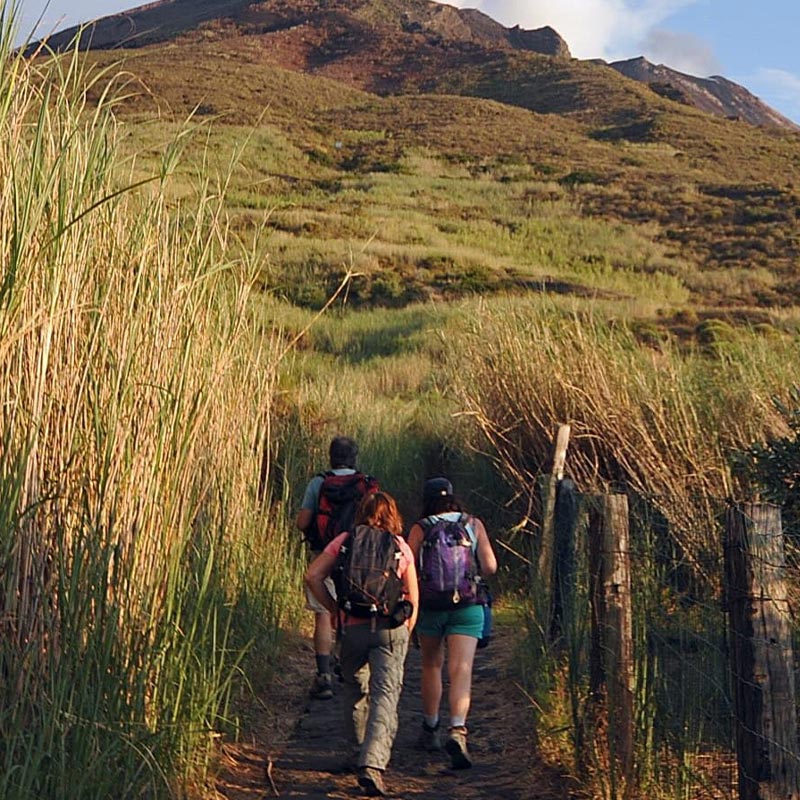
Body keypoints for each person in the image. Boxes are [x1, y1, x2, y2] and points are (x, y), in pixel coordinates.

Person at [305, 491, 418, 798]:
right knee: (385, 695)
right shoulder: (399, 546)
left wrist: (333, 610)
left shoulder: (344, 541)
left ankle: (356, 752)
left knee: (355, 688)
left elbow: (313, 575)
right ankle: (372, 764)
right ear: (391, 514)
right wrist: (405, 630)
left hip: (351, 629)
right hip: (388, 630)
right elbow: (412, 596)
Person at [407, 477, 497, 769]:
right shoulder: (473, 523)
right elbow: (490, 567)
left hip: (431, 607)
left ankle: (430, 727)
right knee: (461, 669)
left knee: (432, 664)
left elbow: (407, 567)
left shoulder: (421, 528)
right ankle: (458, 730)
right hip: (468, 606)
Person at [296, 436, 377, 700]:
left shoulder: (319, 482)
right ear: (354, 457)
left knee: (322, 613)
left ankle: (323, 676)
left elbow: (302, 522)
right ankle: (349, 664)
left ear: (331, 456)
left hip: (325, 553)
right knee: (355, 608)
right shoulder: (366, 484)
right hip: (357, 555)